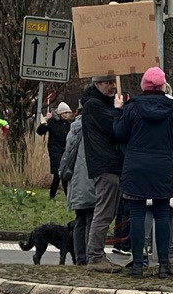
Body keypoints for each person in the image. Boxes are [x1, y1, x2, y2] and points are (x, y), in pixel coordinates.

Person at [113, 67, 173, 277]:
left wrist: (118, 110)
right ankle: (164, 265)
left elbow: (119, 134)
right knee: (162, 215)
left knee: (137, 215)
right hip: (162, 167)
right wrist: (169, 162)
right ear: (164, 86)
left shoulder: (132, 108)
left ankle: (138, 264)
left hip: (136, 166)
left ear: (143, 86)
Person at [78, 76, 126, 268]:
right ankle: (95, 256)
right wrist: (118, 111)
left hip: (108, 163)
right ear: (97, 84)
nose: (112, 86)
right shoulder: (94, 106)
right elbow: (115, 130)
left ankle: (97, 255)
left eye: (113, 82)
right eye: (108, 82)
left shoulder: (99, 104)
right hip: (105, 164)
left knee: (106, 211)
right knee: (104, 212)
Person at [60, 109, 96, 265]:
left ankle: (80, 257)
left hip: (75, 180)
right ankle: (90, 256)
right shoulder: (92, 129)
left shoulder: (73, 129)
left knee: (80, 219)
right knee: (91, 218)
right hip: (89, 178)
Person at [41, 101, 74, 199]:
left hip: (66, 150)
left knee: (61, 173)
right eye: (65, 113)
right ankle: (65, 195)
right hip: (55, 150)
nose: (67, 115)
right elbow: (40, 131)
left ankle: (54, 195)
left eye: (68, 113)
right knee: (58, 172)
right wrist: (44, 124)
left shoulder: (70, 123)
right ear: (60, 113)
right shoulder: (52, 122)